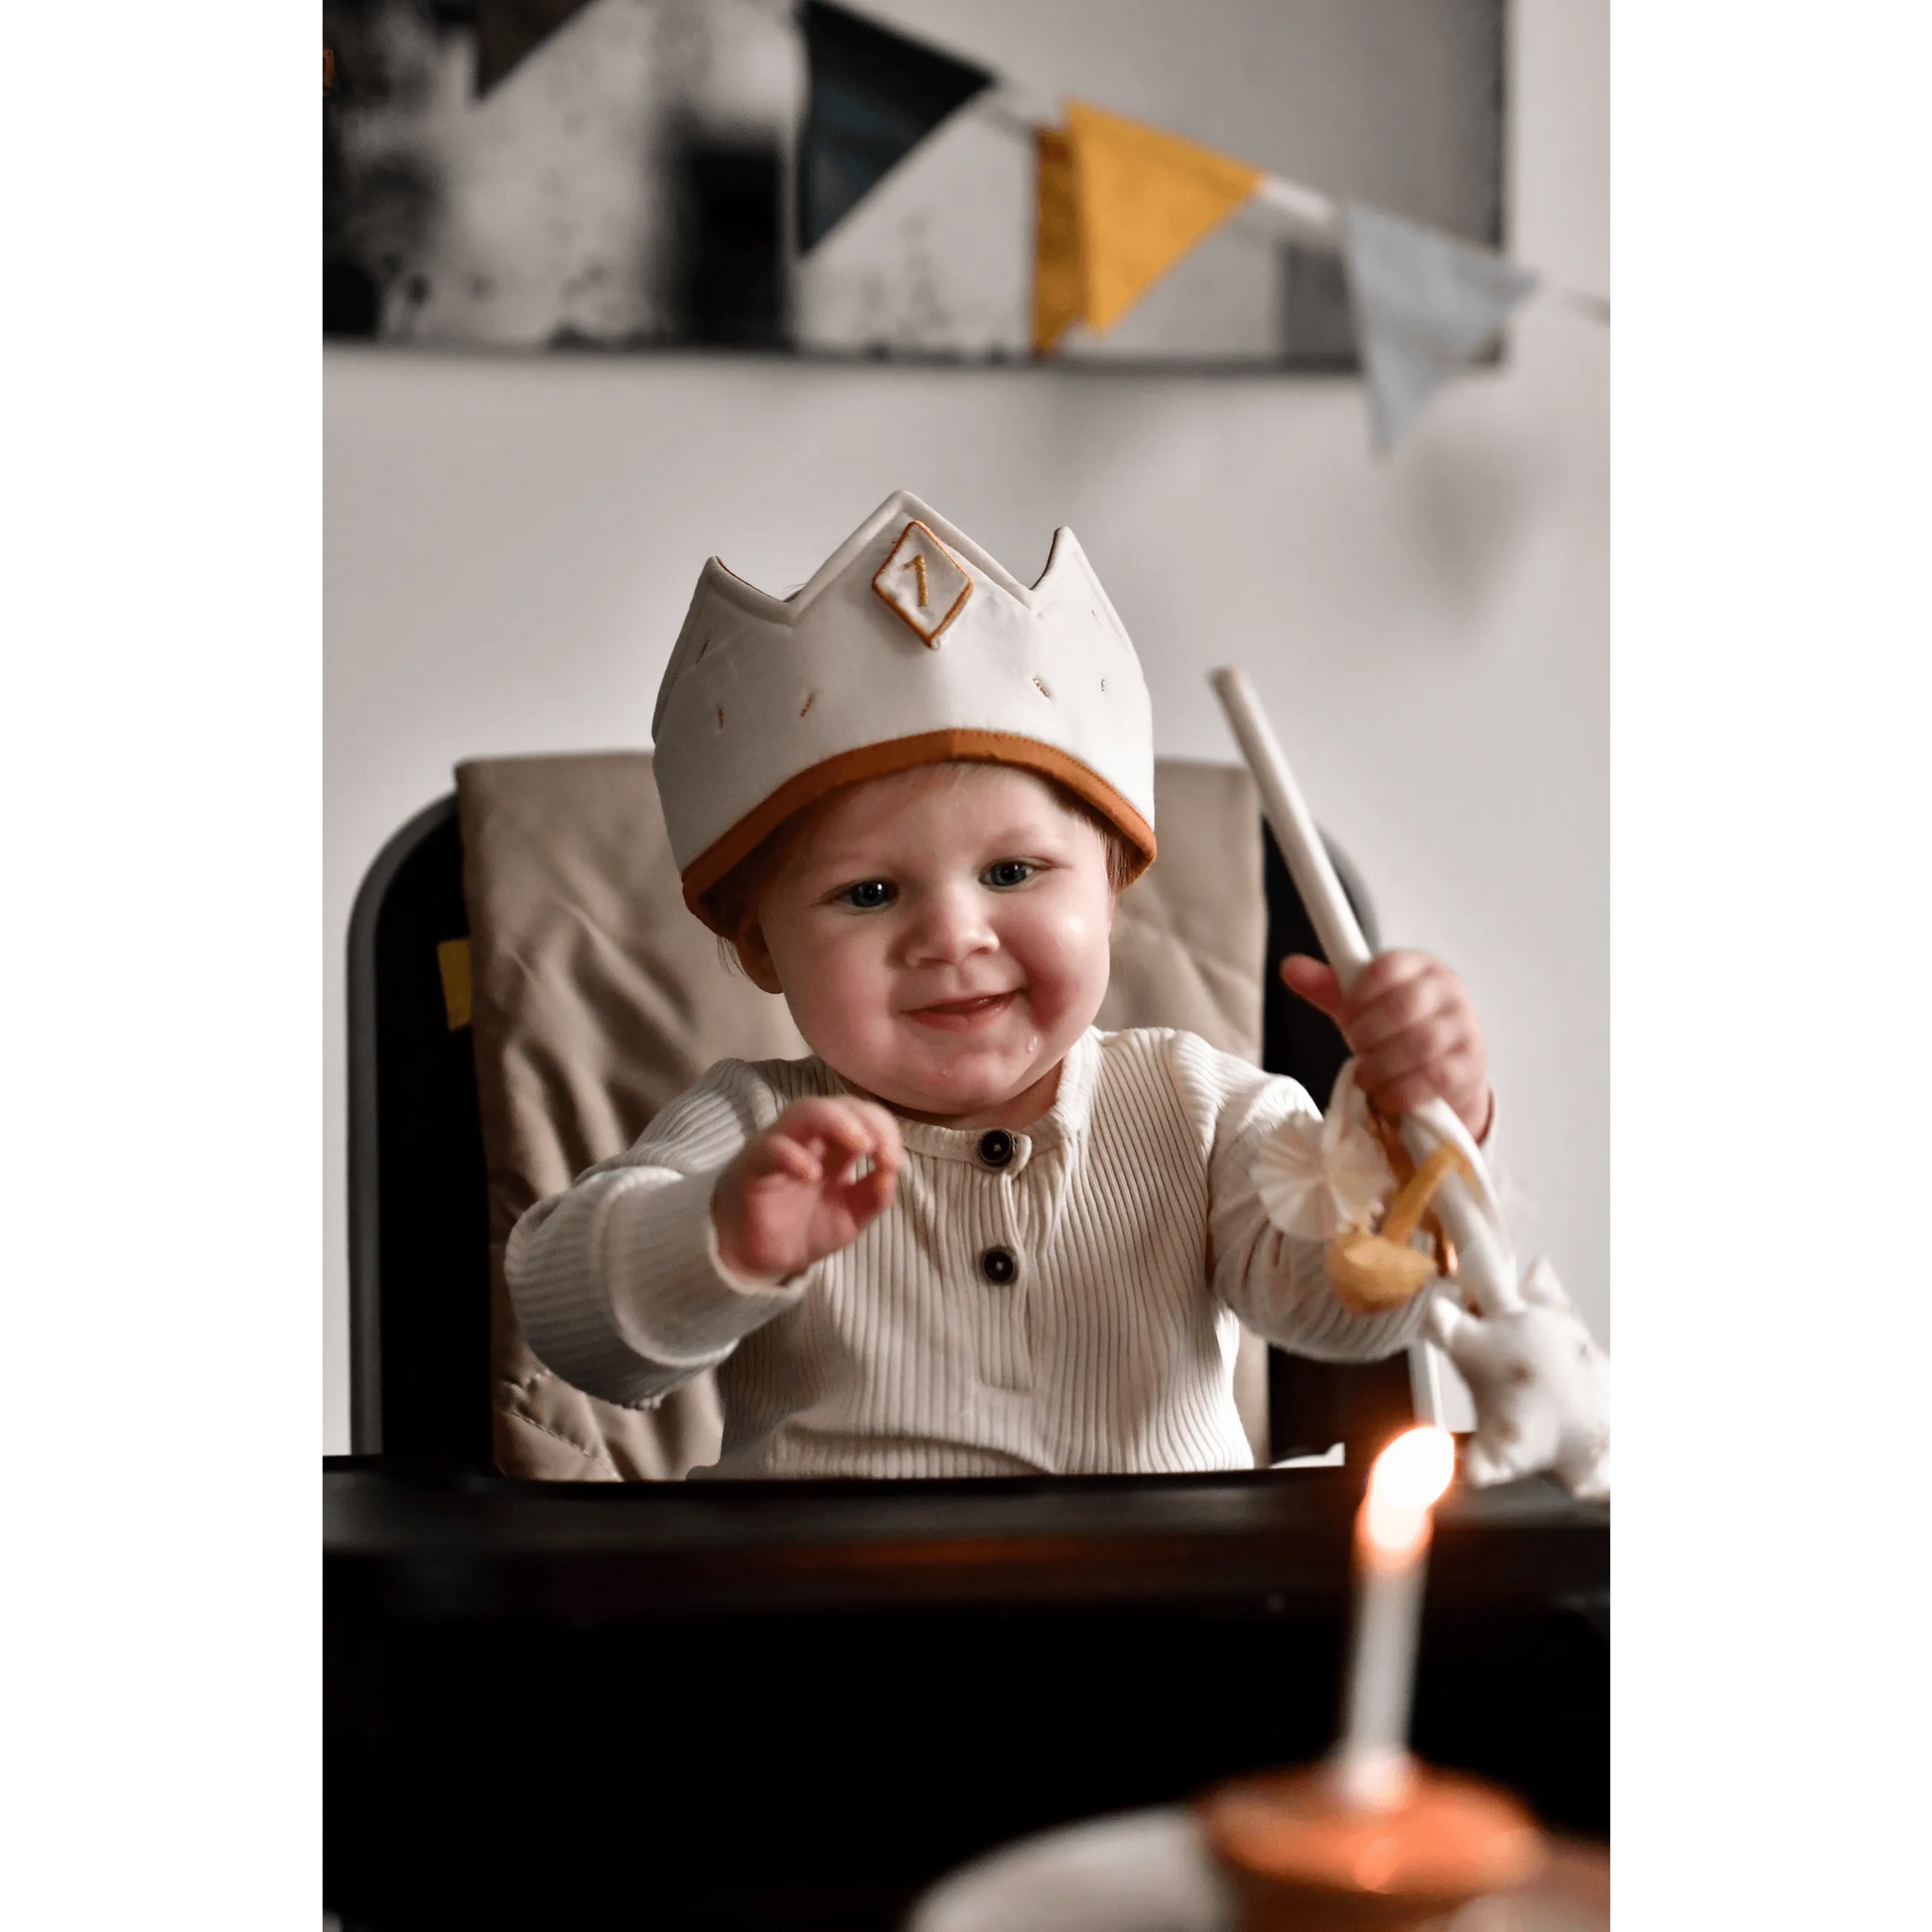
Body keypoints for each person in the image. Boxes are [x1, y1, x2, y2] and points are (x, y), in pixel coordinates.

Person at [507, 493, 1493, 1478]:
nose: (950, 936)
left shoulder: (1200, 1111)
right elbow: (578, 1333)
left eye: (1012, 872)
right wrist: (717, 1237)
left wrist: (1418, 1126)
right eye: (868, 892)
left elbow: (1346, 1308)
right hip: (824, 1578)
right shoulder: (758, 1129)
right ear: (762, 945)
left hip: (1173, 1576)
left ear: (1111, 890)